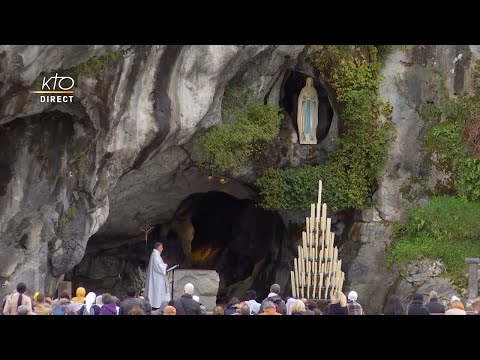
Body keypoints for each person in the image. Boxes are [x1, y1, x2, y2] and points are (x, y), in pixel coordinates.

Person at [144, 242, 171, 310]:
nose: (162, 249)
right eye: (161, 247)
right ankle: (157, 306)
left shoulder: (156, 255)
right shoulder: (155, 255)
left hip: (158, 278)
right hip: (157, 280)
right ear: (158, 247)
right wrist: (165, 265)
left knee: (158, 293)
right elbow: (158, 267)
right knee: (157, 294)